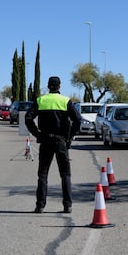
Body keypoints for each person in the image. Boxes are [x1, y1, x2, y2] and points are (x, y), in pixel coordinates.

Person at [25, 76, 81, 214]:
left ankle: (40, 206)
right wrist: (70, 137)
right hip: (61, 141)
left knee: (43, 175)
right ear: (59, 86)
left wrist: (37, 134)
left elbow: (28, 118)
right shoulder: (65, 101)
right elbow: (78, 120)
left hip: (45, 140)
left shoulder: (40, 100)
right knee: (65, 174)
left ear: (48, 86)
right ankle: (67, 205)